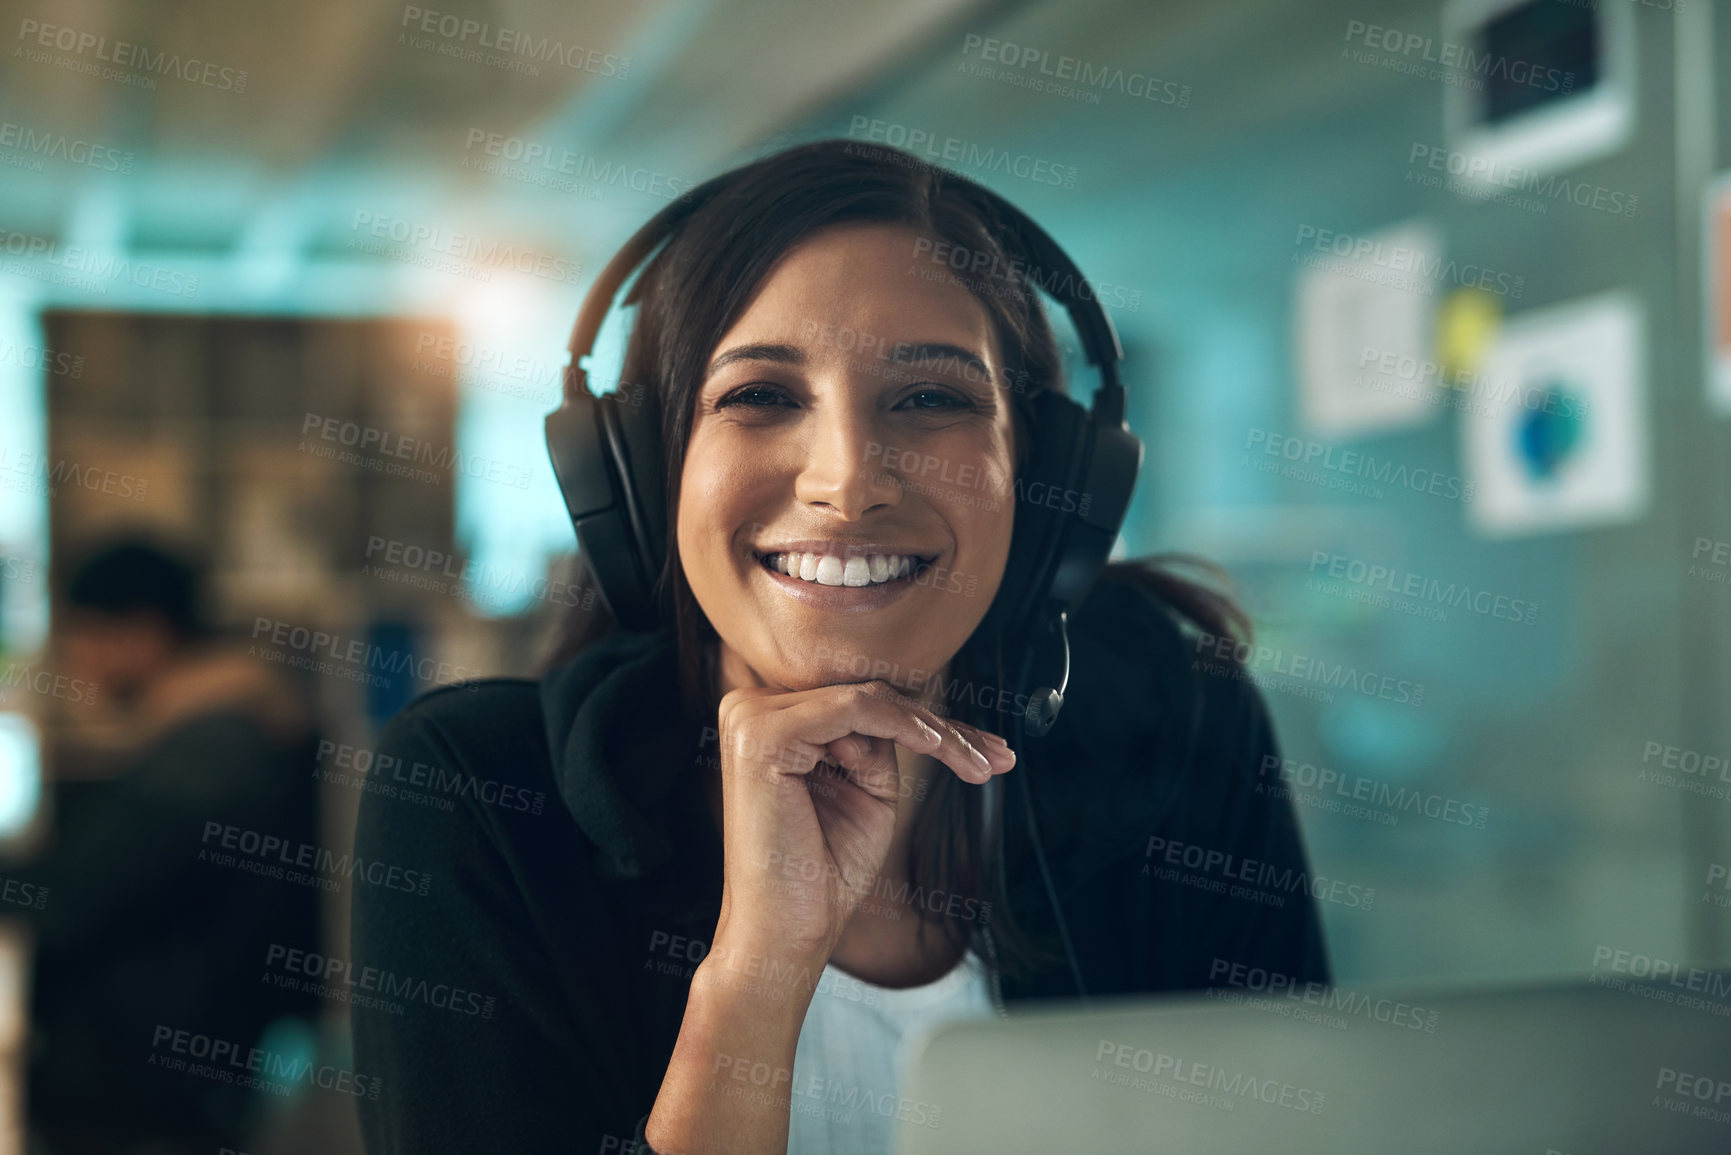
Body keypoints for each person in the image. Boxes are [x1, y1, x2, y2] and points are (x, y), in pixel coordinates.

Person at [350, 139, 1331, 1155]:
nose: (848, 481)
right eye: (761, 396)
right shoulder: (481, 799)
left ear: (1048, 486)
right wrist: (755, 976)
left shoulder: (1178, 723)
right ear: (641, 476)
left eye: (930, 398)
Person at [14, 538, 322, 1154]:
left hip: (150, 1099)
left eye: (85, 635)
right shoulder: (218, 734)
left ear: (142, 634)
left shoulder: (207, 755)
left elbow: (80, 893)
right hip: (167, 1085)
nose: (75, 661)